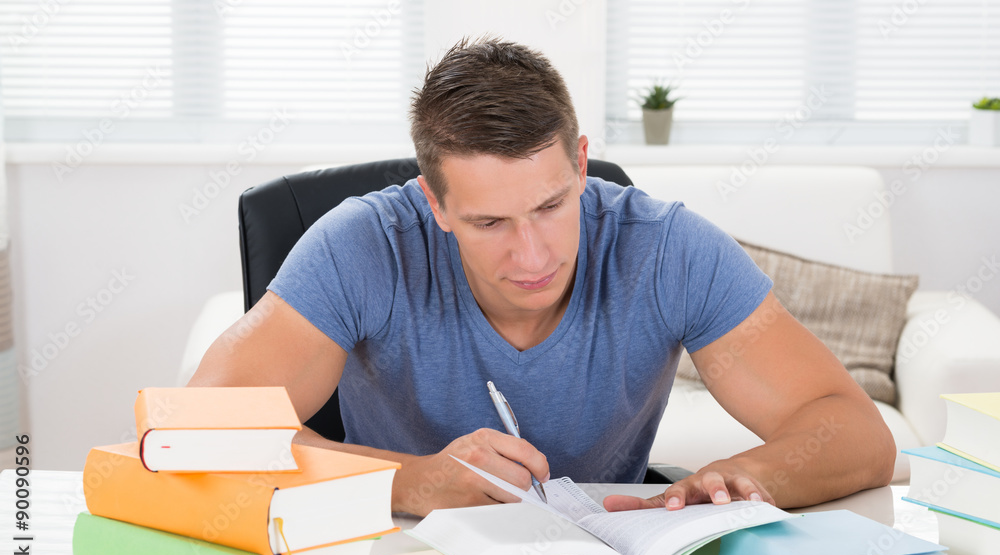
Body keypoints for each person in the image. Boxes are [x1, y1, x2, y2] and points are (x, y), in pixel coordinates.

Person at [189, 37, 895, 516]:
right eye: (490, 223)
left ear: (582, 163)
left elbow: (858, 432)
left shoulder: (669, 248)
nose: (532, 257)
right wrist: (414, 479)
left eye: (552, 205)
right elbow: (196, 428)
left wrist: (750, 476)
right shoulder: (361, 246)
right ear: (433, 202)